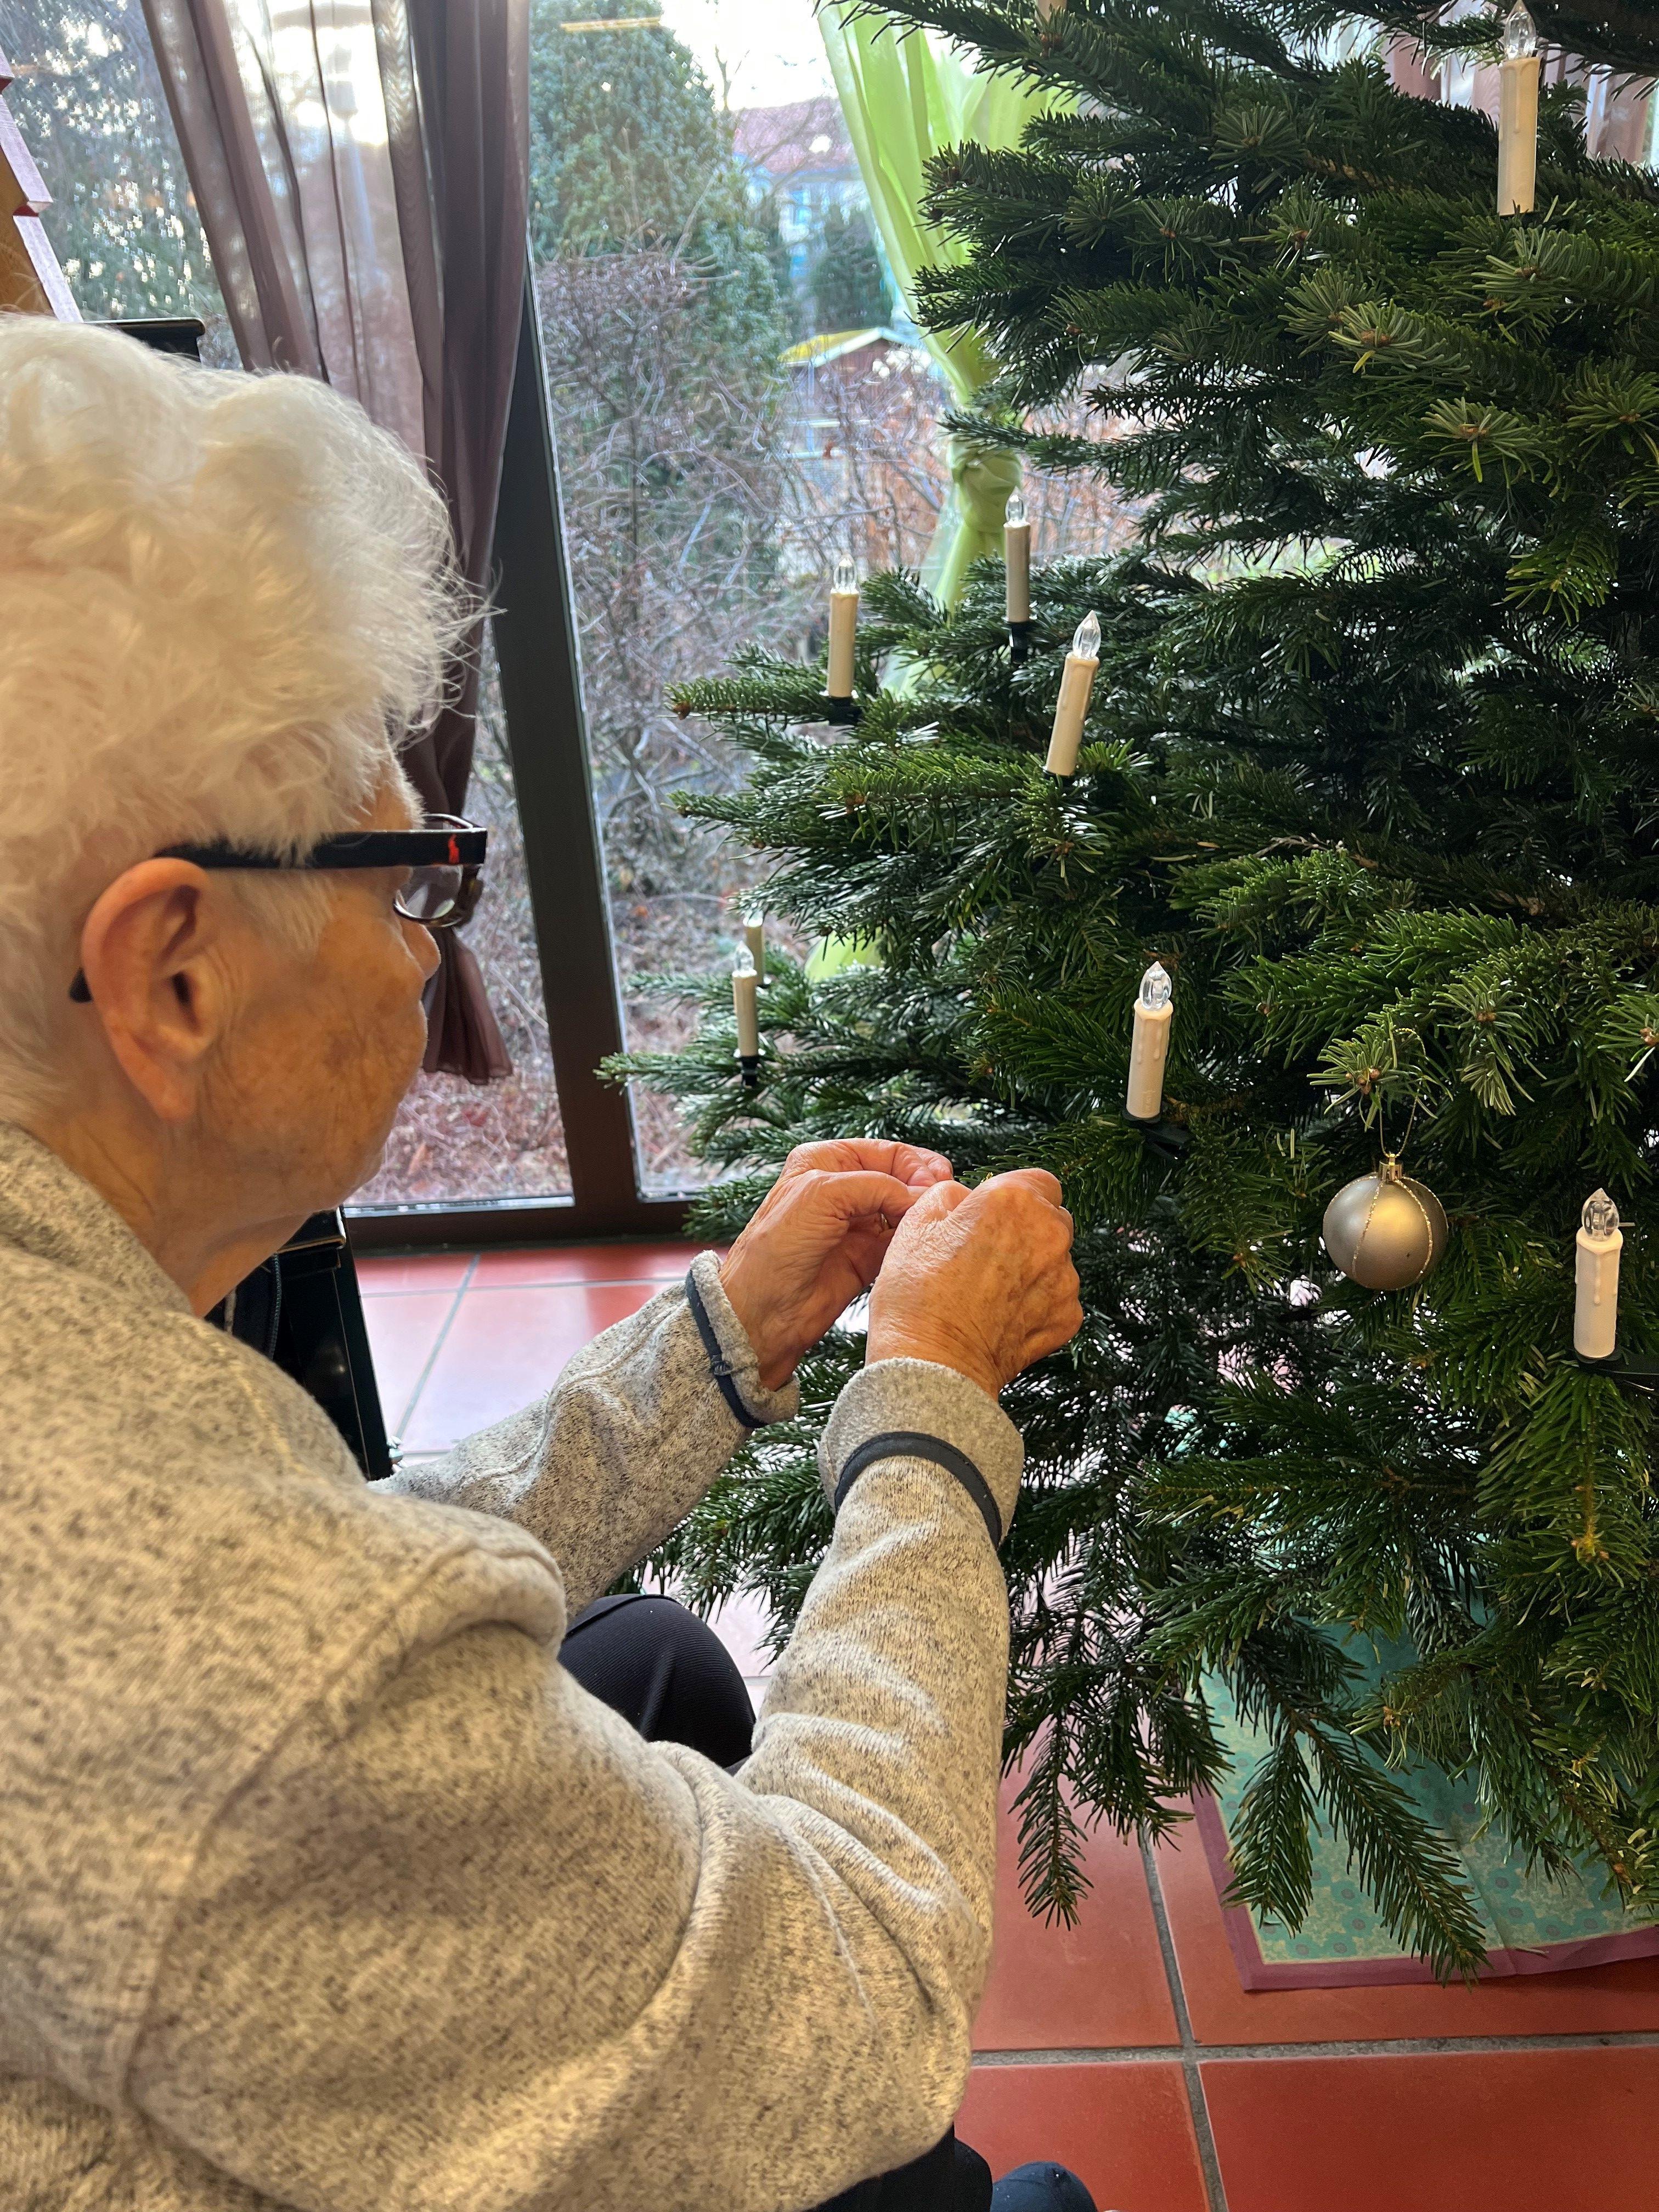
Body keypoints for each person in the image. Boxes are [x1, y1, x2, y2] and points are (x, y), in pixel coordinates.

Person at [0, 315, 1091, 2212]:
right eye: (399, 872)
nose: (429, 942)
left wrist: (723, 1338)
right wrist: (926, 1412)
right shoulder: (207, 1652)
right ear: (170, 973)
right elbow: (861, 1993)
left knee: (648, 1658)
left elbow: (332, 1560)